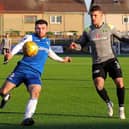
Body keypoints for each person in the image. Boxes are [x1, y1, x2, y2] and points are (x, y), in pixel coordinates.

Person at [0, 19, 72, 126]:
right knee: (3, 91)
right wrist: (10, 54)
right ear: (35, 29)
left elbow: (50, 53)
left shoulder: (47, 42)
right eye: (38, 28)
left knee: (35, 92)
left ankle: (27, 118)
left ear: (46, 29)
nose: (40, 30)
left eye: (42, 28)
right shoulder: (30, 37)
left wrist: (62, 60)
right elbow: (20, 45)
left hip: (35, 74)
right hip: (21, 69)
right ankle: (6, 97)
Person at [70, 5, 129, 119]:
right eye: (91, 16)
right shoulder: (88, 31)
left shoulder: (109, 27)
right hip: (97, 62)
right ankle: (108, 103)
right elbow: (80, 44)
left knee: (120, 83)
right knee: (99, 85)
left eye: (95, 15)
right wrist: (75, 46)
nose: (93, 18)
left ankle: (121, 109)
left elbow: (122, 37)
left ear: (102, 16)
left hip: (111, 60)